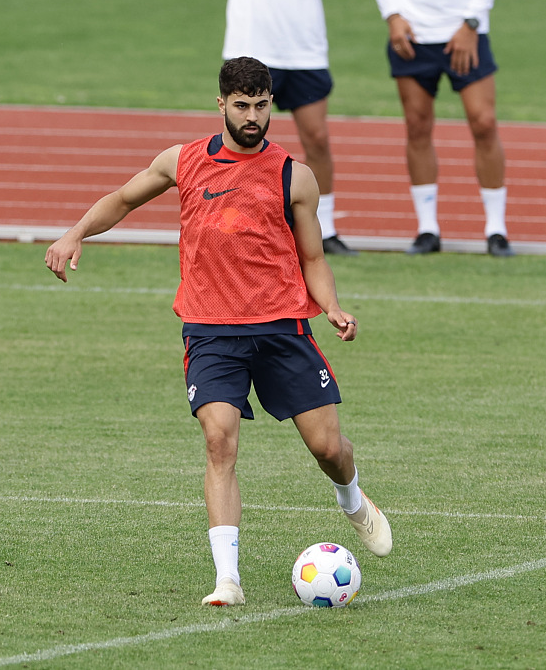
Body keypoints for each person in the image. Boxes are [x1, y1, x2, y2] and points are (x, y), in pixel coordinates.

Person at [45, 57, 392, 607]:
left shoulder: (294, 176)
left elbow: (313, 257)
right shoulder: (182, 161)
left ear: (270, 103)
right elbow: (123, 199)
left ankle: (352, 500)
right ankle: (227, 579)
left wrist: (331, 306)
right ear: (221, 104)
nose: (253, 117)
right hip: (210, 331)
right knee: (218, 439)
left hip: (282, 328)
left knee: (328, 448)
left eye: (261, 106)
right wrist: (75, 233)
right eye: (242, 106)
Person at [371, 0, 515, 257]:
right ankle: (428, 230)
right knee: (417, 126)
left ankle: (497, 230)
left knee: (484, 123)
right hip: (412, 32)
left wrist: (472, 22)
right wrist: (392, 15)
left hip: (466, 30)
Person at [223, 0, 358, 256]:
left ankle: (325, 230)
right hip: (251, 43)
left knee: (317, 138)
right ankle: (233, 223)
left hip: (304, 48)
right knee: (243, 140)